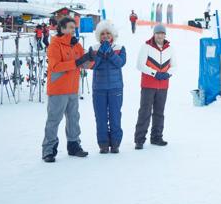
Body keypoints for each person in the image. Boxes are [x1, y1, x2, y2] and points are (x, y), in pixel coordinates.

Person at [41, 17, 92, 163]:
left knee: (74, 119)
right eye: (70, 27)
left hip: (72, 89)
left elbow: (84, 64)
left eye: (73, 27)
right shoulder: (55, 45)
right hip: (58, 89)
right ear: (62, 28)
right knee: (54, 120)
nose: (73, 30)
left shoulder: (76, 45)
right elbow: (55, 67)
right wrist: (77, 62)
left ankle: (74, 145)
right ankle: (48, 150)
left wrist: (92, 58)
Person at [134, 24, 177, 149]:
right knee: (145, 112)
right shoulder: (146, 46)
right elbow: (140, 65)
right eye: (157, 33)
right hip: (148, 84)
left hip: (163, 85)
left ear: (165, 35)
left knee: (159, 112)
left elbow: (175, 65)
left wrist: (167, 74)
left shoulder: (170, 48)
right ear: (154, 34)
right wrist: (154, 73)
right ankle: (139, 140)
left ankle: (156, 137)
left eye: (162, 33)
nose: (160, 35)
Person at [89, 20, 126, 154]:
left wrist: (110, 53)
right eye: (102, 34)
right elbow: (92, 65)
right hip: (99, 89)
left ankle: (115, 143)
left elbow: (120, 63)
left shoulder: (119, 48)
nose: (105, 36)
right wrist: (100, 53)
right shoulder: (93, 48)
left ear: (112, 35)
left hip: (115, 88)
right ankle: (103, 143)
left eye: (108, 33)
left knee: (115, 116)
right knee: (101, 117)